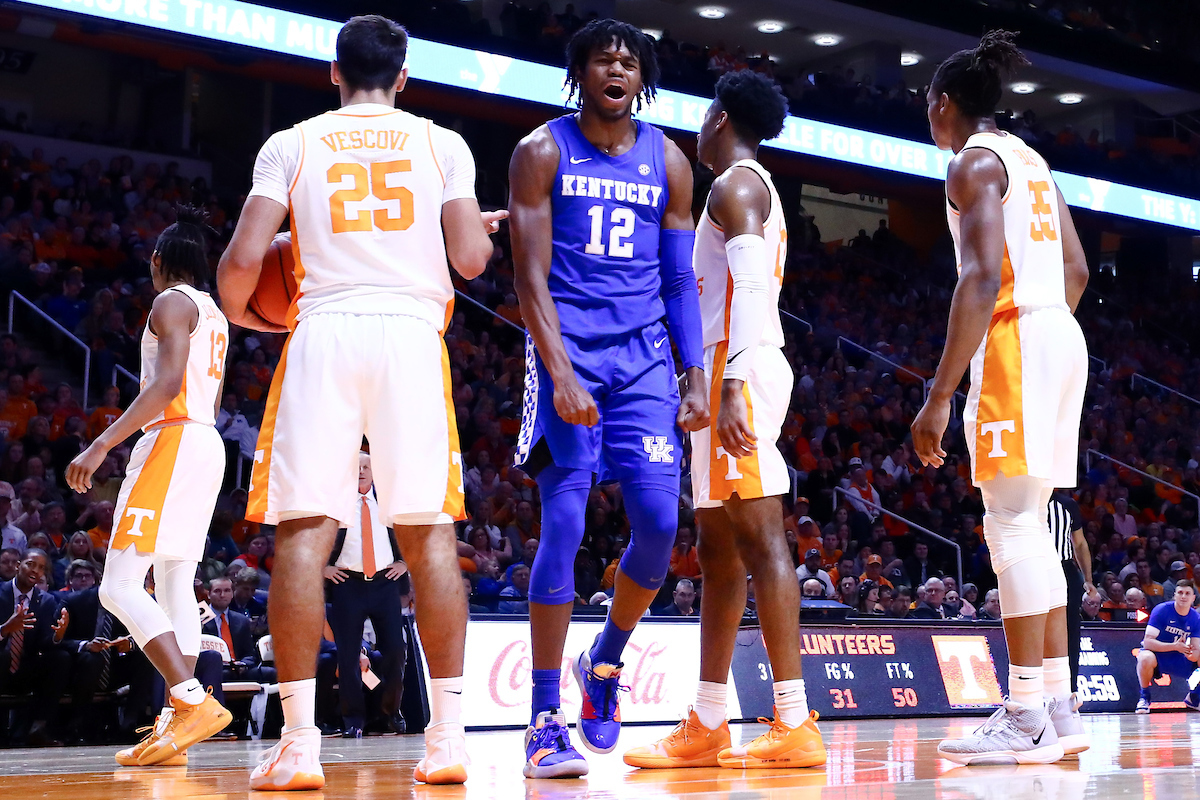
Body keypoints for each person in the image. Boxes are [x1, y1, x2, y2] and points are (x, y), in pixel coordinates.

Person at [218, 15, 504, 789]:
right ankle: (446, 739)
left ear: (334, 73)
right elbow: (472, 262)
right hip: (412, 332)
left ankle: (302, 746)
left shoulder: (292, 142)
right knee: (431, 538)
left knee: (304, 537)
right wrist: (472, 227)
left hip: (325, 330)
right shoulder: (443, 143)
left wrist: (250, 313)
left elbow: (242, 262)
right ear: (404, 78)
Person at [508, 19, 707, 778]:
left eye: (628, 60)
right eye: (603, 59)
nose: (616, 69)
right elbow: (528, 277)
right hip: (568, 352)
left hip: (645, 363)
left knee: (658, 524)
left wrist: (693, 375)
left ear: (642, 76)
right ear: (580, 73)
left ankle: (606, 660)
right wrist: (558, 370)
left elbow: (679, 279)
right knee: (563, 523)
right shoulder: (541, 151)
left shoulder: (672, 161)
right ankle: (542, 717)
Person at [625, 69, 825, 772]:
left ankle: (794, 720)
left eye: (706, 112)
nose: (700, 124)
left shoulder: (736, 184)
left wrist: (732, 380)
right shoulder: (747, 184)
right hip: (724, 363)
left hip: (739, 362)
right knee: (716, 545)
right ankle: (710, 719)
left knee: (760, 536)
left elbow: (749, 292)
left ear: (721, 117)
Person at [912, 31, 1090, 765]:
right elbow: (1077, 269)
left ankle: (1022, 712)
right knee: (1032, 523)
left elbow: (981, 278)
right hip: (1061, 335)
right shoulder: (1034, 163)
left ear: (944, 105)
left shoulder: (972, 163)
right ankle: (1056, 703)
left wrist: (940, 393)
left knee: (1010, 524)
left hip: (1018, 336)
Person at [66, 206, 232, 767]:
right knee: (174, 582)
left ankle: (189, 700)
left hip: (173, 438)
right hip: (207, 442)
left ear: (158, 262)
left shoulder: (169, 301)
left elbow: (166, 385)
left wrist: (100, 444)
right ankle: (173, 729)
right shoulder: (215, 314)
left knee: (117, 585)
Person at [325, 453, 409, 738]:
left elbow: (410, 534)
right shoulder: (336, 502)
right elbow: (317, 539)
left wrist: (405, 561)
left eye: (366, 467)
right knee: (347, 657)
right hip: (347, 583)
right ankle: (353, 719)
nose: (361, 471)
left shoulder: (387, 502)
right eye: (356, 467)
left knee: (396, 651)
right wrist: (323, 567)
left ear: (375, 471)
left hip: (385, 582)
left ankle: (389, 713)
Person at [0, 548, 70, 744]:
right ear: (17, 565)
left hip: (26, 667)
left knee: (60, 658)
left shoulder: (46, 601)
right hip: (1, 665)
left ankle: (39, 727)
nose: (36, 571)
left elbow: (44, 644)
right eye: (31, 564)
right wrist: (5, 629)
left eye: (41, 568)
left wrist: (58, 635)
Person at [1049, 489, 1092, 737]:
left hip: (1064, 570)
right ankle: (1034, 695)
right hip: (1035, 569)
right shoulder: (1026, 501)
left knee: (1070, 634)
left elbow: (1080, 542)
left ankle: (1069, 695)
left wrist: (1088, 578)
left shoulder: (1067, 505)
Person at [1135, 579, 1200, 713]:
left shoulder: (1196, 618)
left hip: (1180, 659)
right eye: (1180, 593)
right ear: (1174, 595)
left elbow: (1195, 653)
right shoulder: (1162, 610)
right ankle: (1144, 697)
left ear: (1193, 597)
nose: (1183, 596)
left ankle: (1195, 697)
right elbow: (1147, 642)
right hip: (1158, 657)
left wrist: (1190, 653)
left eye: (1187, 593)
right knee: (1144, 656)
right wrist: (1174, 646)